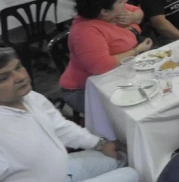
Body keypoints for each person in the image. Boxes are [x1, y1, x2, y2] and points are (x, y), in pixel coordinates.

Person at [0, 47, 140, 182]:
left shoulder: (32, 97)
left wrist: (100, 144)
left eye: (18, 67)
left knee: (123, 156)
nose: (20, 77)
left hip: (62, 168)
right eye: (4, 78)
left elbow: (62, 129)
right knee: (132, 174)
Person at [58, 0, 150, 114]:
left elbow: (138, 12)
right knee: (138, 109)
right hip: (85, 88)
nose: (125, 0)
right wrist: (136, 50)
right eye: (120, 0)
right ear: (104, 12)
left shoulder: (112, 10)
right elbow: (101, 66)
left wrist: (133, 18)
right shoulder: (85, 32)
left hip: (118, 74)